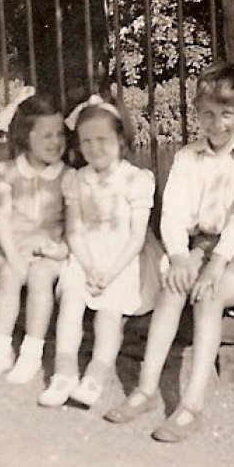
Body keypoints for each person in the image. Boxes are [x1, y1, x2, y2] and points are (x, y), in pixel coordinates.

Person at [104, 61, 234, 442]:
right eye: (208, 114)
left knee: (207, 296)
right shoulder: (187, 157)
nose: (217, 124)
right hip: (201, 246)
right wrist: (180, 257)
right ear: (197, 112)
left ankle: (192, 406)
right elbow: (173, 212)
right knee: (172, 288)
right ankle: (145, 391)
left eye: (226, 114)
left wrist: (216, 265)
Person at [38, 95, 157, 408]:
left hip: (123, 259)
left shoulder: (135, 179)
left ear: (120, 139)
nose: (94, 148)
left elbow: (137, 236)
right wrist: (89, 267)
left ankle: (95, 375)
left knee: (109, 312)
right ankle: (64, 372)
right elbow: (74, 231)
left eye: (102, 140)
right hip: (86, 255)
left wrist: (110, 272)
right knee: (71, 300)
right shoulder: (77, 180)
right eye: (86, 141)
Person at [0, 88, 70, 385]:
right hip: (9, 248)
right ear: (26, 137)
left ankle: (31, 353)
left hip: (48, 251)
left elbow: (74, 223)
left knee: (40, 276)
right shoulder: (7, 173)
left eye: (60, 134)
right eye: (47, 135)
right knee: (8, 275)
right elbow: (2, 217)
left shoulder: (68, 176)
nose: (56, 142)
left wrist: (61, 249)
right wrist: (14, 257)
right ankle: (0, 351)